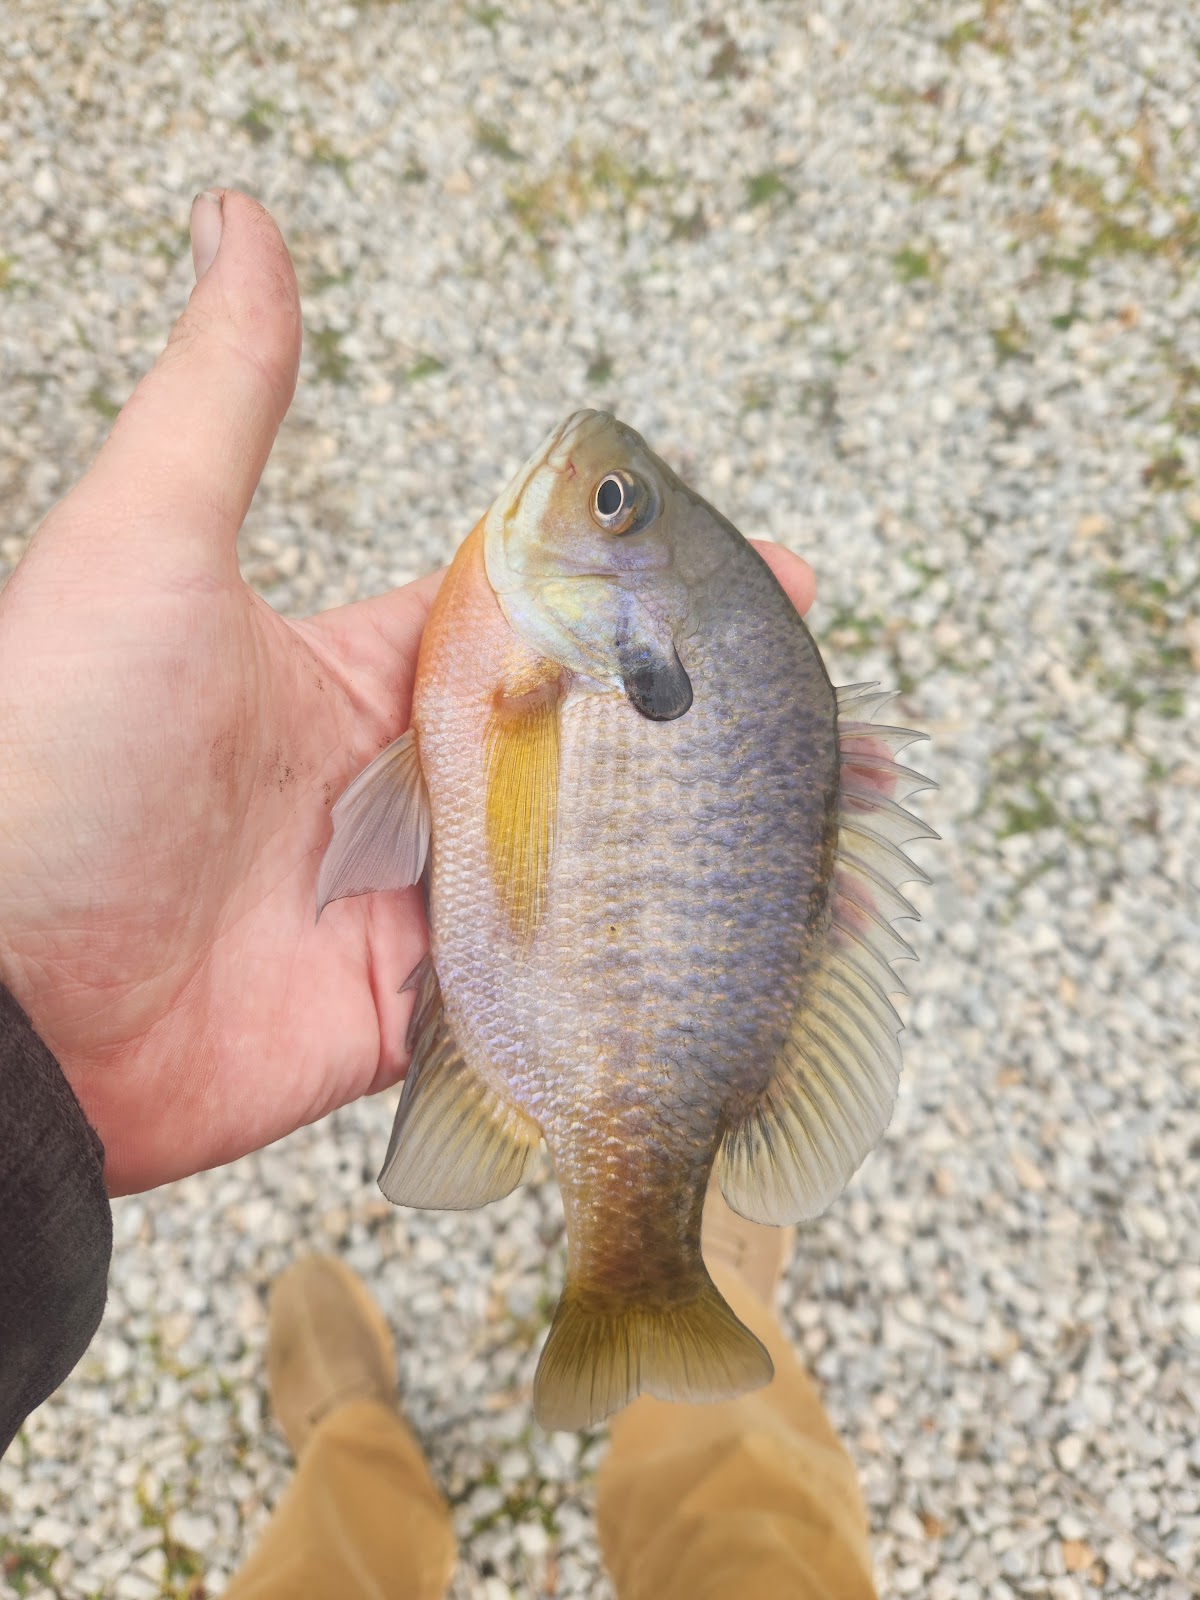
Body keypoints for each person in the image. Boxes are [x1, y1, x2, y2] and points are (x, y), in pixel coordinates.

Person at [0, 190, 876, 1597]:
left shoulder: (529, 669)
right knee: (763, 1546)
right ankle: (698, 1377)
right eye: (618, 499)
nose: (595, 479)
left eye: (613, 505)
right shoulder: (538, 668)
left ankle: (362, 1449)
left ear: (639, 622)